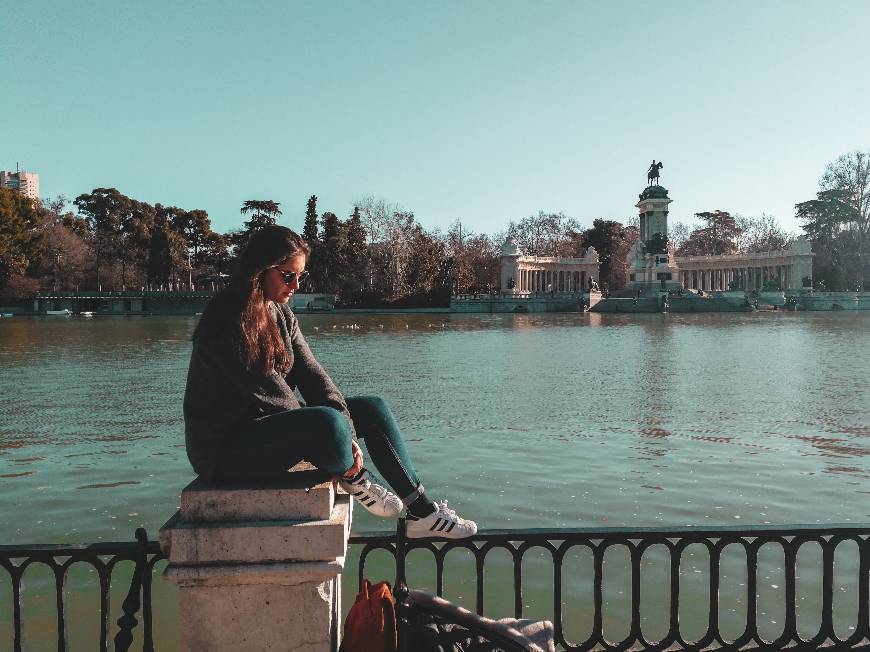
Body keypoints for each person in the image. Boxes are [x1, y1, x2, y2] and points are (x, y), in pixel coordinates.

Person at [183, 226, 477, 539]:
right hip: (224, 451)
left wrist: (346, 429)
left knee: (372, 409)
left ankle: (422, 512)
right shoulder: (228, 319)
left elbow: (312, 374)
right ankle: (357, 477)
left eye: (300, 276)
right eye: (287, 276)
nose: (295, 285)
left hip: (264, 427)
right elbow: (273, 394)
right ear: (259, 270)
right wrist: (339, 436)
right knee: (324, 423)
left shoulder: (280, 313)